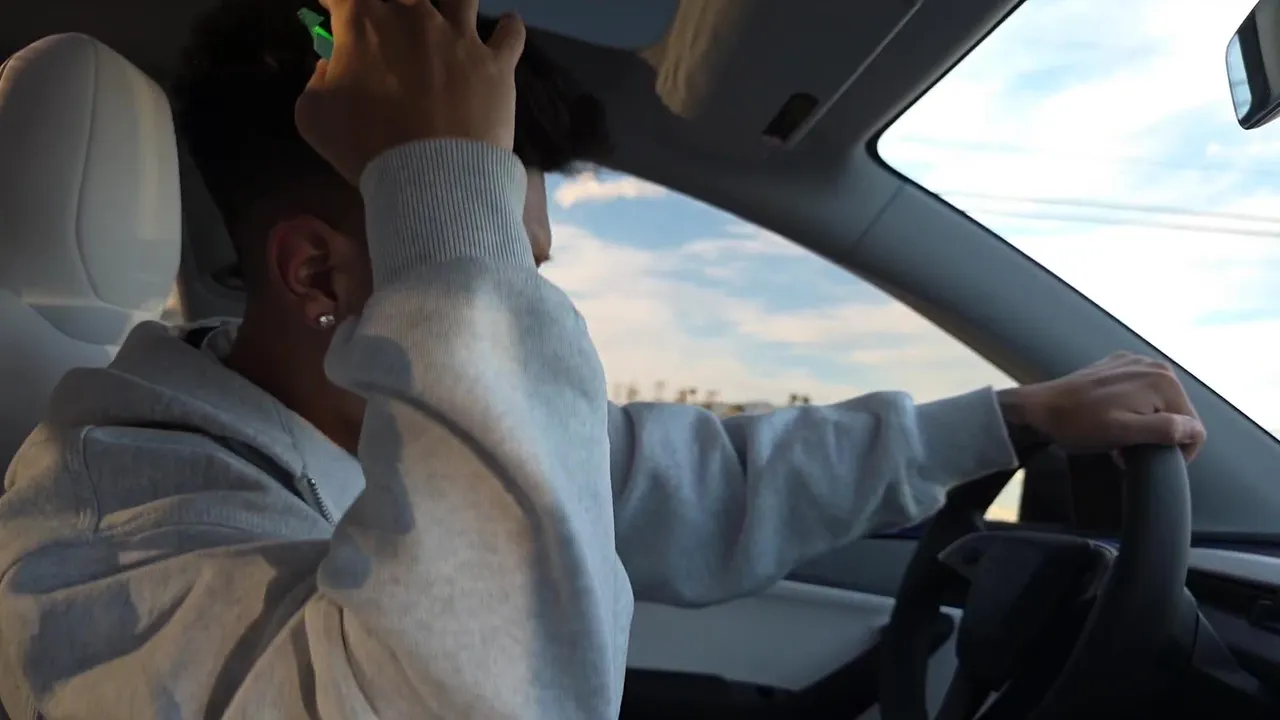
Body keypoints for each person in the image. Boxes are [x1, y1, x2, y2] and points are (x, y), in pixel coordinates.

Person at [0, 0, 1206, 718]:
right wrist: (444, 222)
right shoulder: (105, 547)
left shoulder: (344, 426)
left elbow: (690, 480)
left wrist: (1005, 419)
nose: (520, 302)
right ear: (318, 277)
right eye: (491, 260)